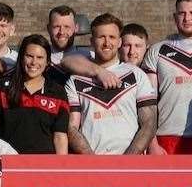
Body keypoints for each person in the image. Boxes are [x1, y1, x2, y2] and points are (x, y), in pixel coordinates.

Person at [140, 0, 192, 154]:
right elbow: (147, 103)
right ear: (174, 17)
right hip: (167, 137)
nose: (187, 18)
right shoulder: (158, 50)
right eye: (182, 13)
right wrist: (151, 142)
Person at [66, 13, 157, 154]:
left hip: (131, 164)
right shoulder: (75, 80)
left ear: (120, 41)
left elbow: (149, 123)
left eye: (112, 37)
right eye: (101, 37)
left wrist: (128, 160)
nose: (107, 42)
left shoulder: (136, 74)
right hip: (92, 165)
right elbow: (71, 127)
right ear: (91, 41)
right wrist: (92, 162)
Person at [0, 34, 69, 154]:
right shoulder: (0, 88)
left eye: (40, 57)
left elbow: (60, 136)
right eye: (29, 56)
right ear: (21, 58)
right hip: (7, 162)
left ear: (47, 62)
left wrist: (61, 170)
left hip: (43, 166)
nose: (34, 62)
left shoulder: (57, 92)